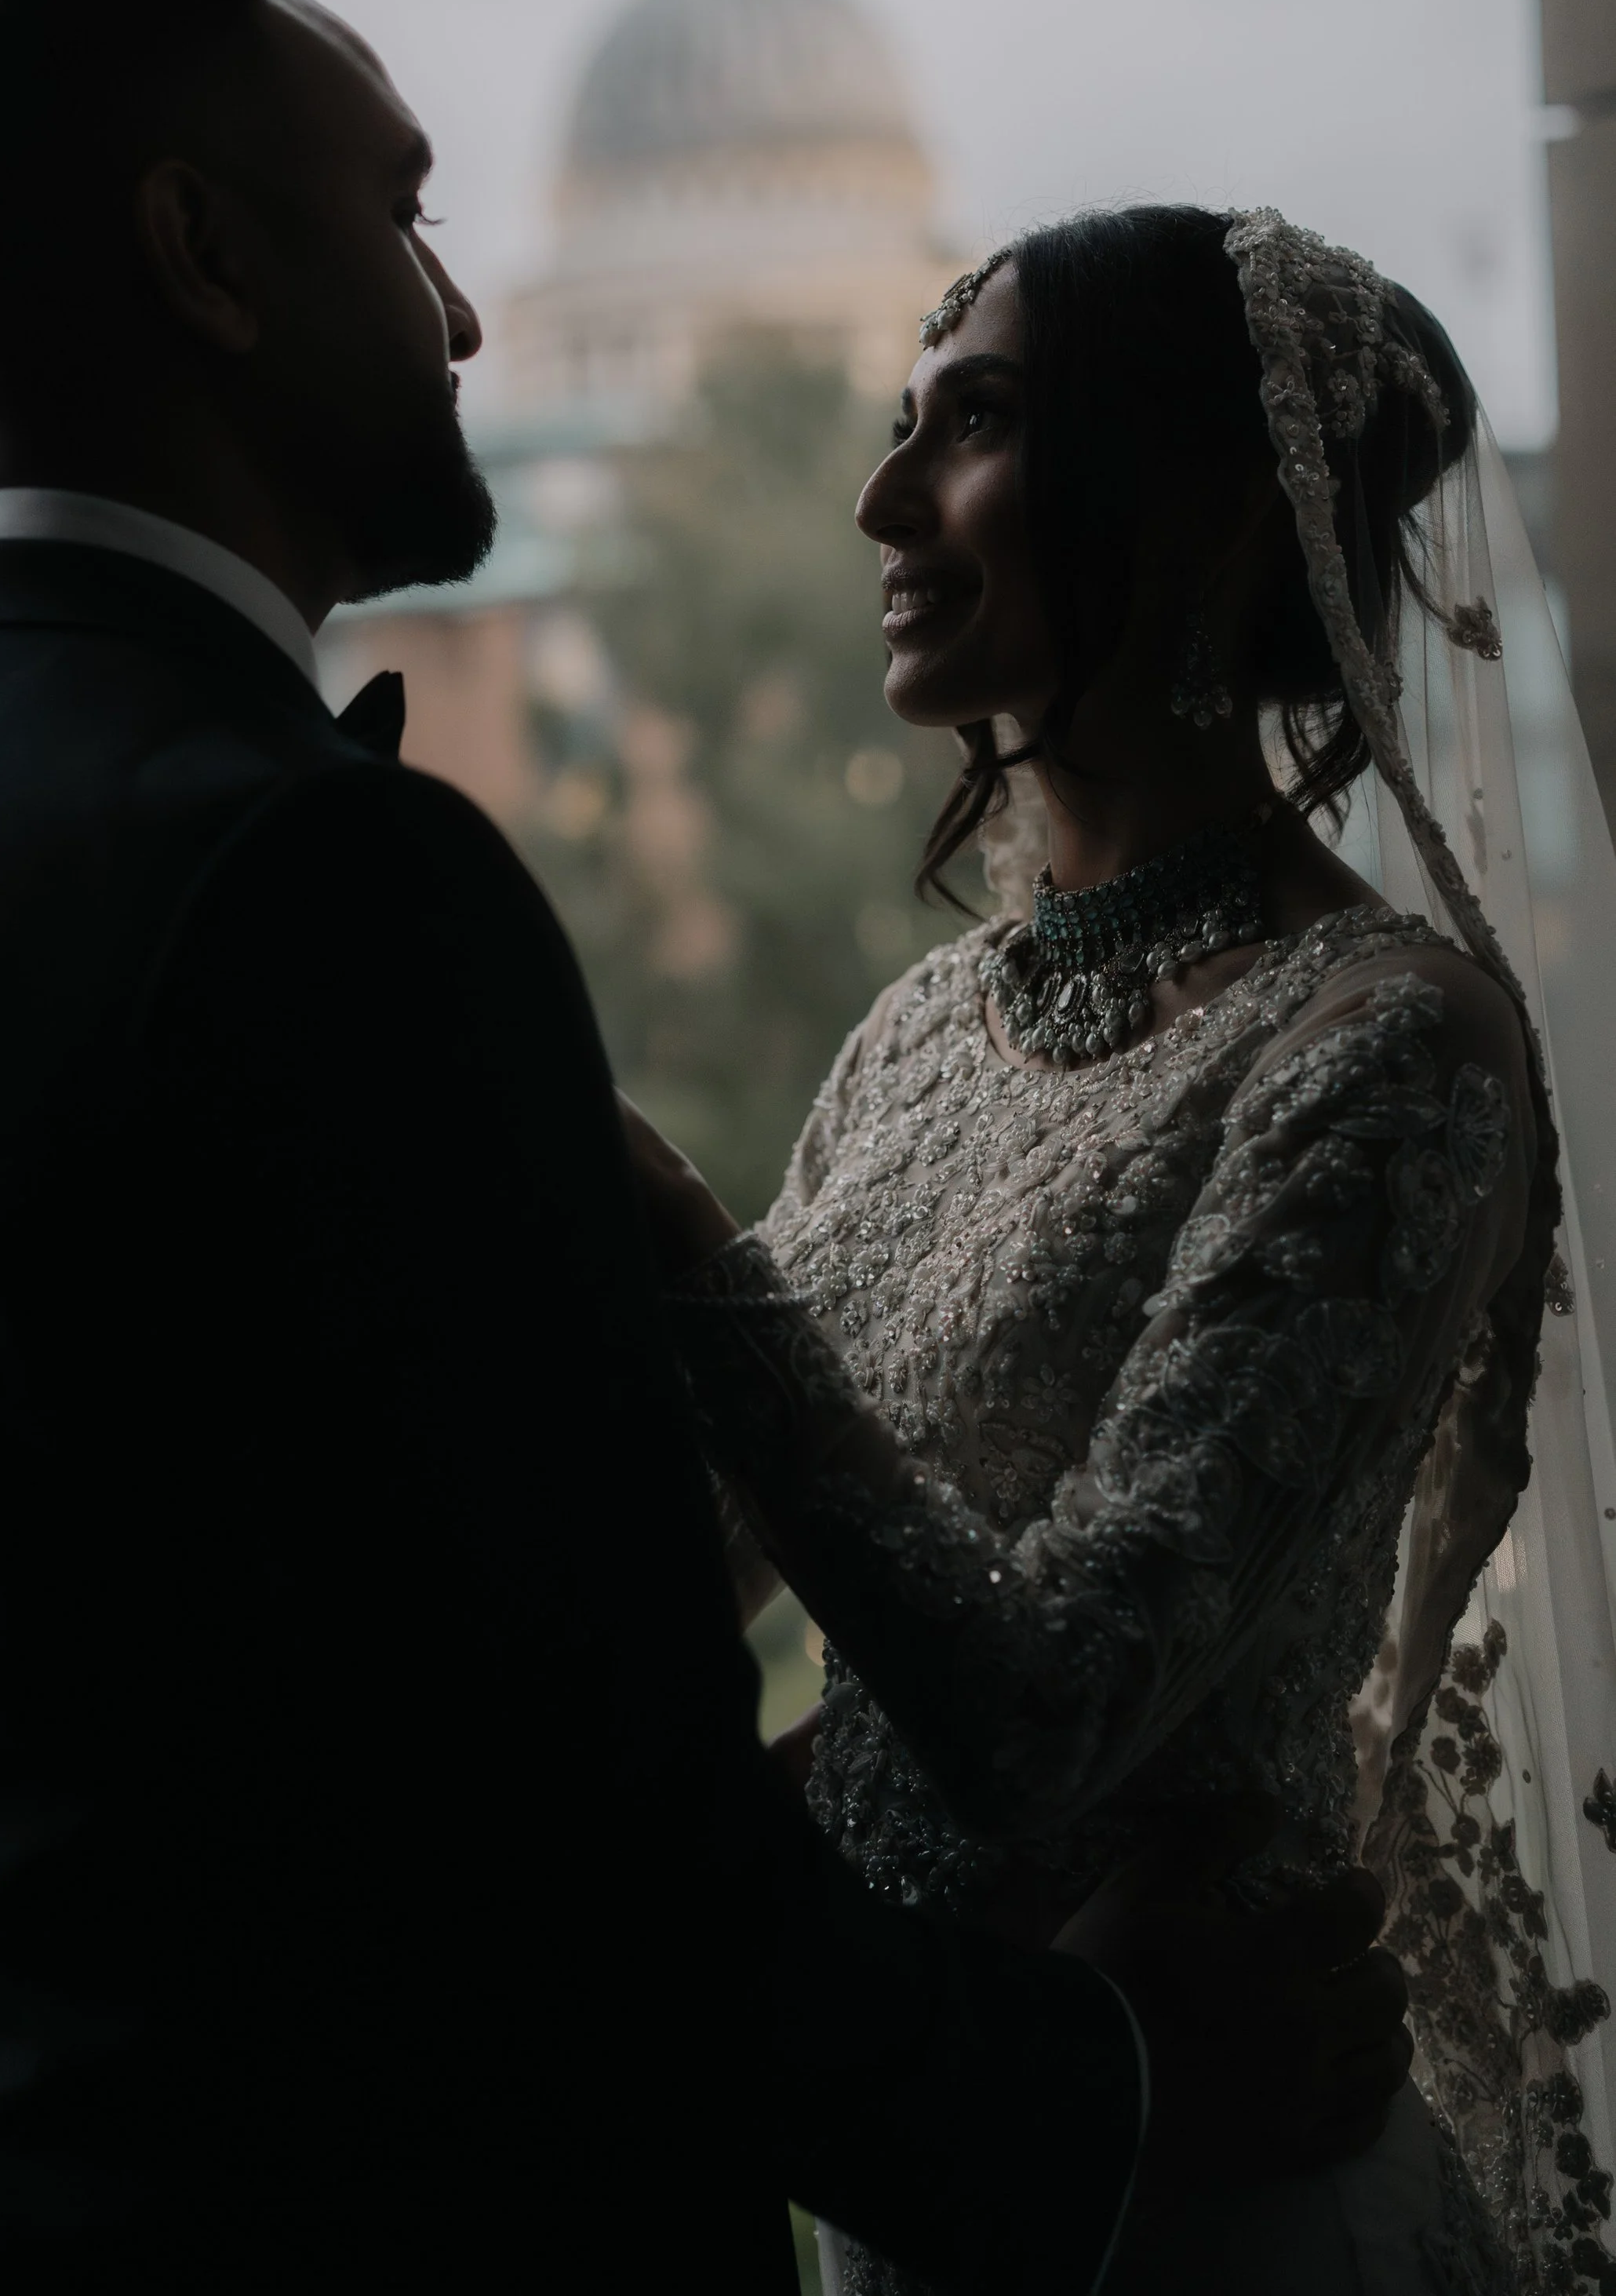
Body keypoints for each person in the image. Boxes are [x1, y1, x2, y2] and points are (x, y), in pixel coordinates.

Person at [0, 0, 1407, 2296]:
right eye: (398, 214)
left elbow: (270, 1701)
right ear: (201, 253)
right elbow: (565, 1797)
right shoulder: (311, 868)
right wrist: (1082, 2078)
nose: (467, 311)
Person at [621, 204, 1616, 2294]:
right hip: (956, 2139)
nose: (882, 498)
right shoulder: (919, 1029)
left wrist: (690, 1269)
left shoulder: (1385, 1047)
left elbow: (1051, 1708)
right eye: (899, 426)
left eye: (967, 423)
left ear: (1212, 517)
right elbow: (693, 1569)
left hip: (1214, 2208)